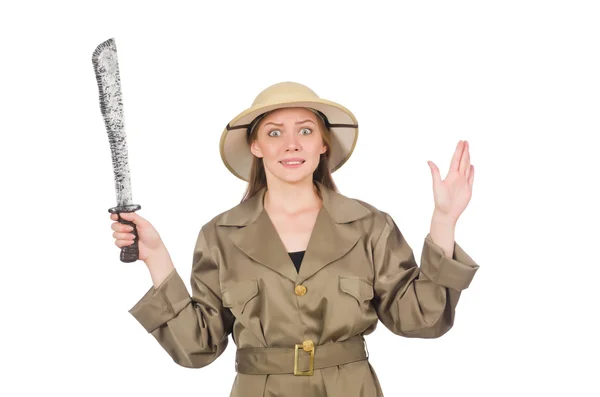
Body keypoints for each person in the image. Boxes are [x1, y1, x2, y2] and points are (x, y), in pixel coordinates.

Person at [109, 81, 479, 397]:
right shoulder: (219, 235)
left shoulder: (369, 225)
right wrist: (155, 256)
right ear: (256, 146)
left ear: (323, 144)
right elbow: (197, 348)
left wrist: (444, 221)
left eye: (305, 131)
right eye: (274, 133)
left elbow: (421, 320)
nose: (291, 144)